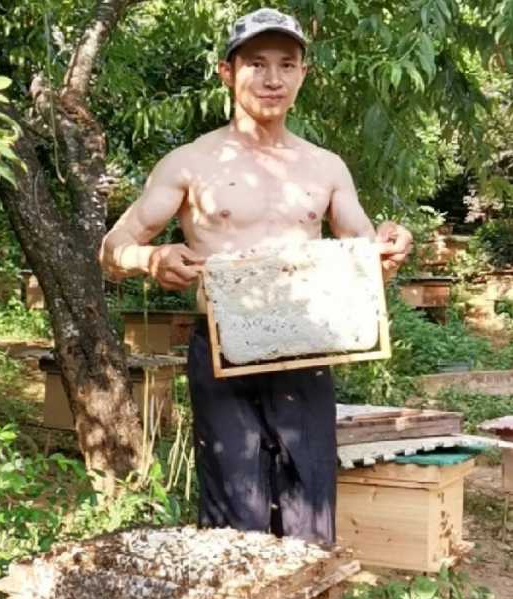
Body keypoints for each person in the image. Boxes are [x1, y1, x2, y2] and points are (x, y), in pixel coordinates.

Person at [99, 7, 412, 543]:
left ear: (303, 75)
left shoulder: (325, 167)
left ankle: (304, 598)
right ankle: (235, 598)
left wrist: (389, 247)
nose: (272, 79)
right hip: (224, 352)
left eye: (286, 65)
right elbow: (112, 247)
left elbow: (366, 256)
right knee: (233, 520)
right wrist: (150, 259)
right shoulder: (191, 162)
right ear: (228, 72)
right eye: (256, 64)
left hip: (306, 355)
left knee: (310, 516)